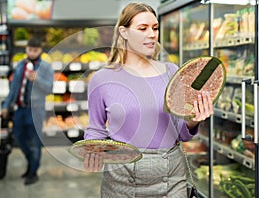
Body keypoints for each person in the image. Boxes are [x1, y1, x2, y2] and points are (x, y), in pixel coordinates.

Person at [83, 2, 213, 197]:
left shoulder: (171, 71)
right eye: (143, 28)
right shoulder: (102, 78)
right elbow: (95, 128)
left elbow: (181, 133)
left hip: (171, 177)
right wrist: (92, 150)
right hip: (121, 180)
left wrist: (194, 120)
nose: (152, 34)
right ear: (124, 32)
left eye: (155, 28)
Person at [2, 38, 53, 185]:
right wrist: (6, 105)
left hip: (36, 111)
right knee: (18, 138)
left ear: (40, 51)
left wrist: (37, 80)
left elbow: (49, 89)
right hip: (20, 109)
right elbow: (14, 88)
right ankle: (31, 163)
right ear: (26, 49)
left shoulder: (46, 67)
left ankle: (33, 172)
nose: (32, 53)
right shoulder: (20, 65)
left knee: (35, 142)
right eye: (29, 49)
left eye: (35, 50)